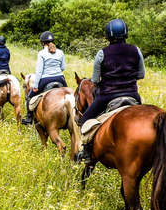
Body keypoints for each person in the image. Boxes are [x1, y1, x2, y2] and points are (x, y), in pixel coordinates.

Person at [76, 18, 145, 162]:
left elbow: (94, 81)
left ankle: (87, 152)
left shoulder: (102, 53)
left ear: (108, 36)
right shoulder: (136, 50)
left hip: (107, 96)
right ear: (126, 33)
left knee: (85, 119)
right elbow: (141, 75)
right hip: (133, 95)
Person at [21, 31, 67, 125]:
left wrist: (36, 86)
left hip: (46, 79)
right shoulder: (60, 52)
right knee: (70, 96)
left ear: (42, 43)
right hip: (60, 78)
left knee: (29, 97)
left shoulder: (41, 53)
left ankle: (29, 118)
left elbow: (39, 71)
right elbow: (63, 68)